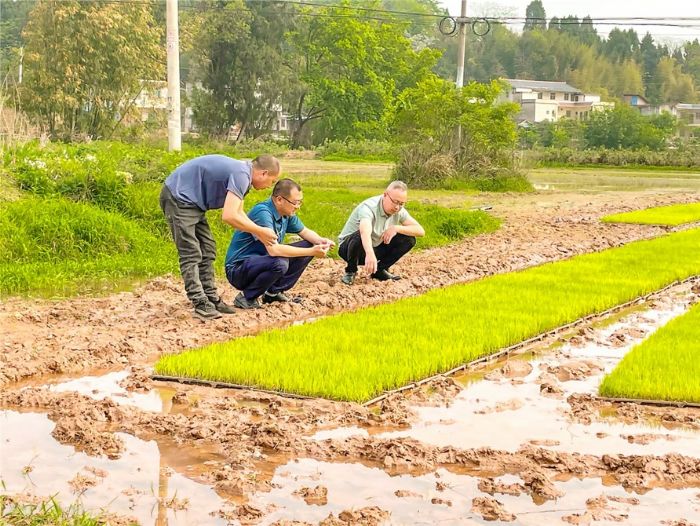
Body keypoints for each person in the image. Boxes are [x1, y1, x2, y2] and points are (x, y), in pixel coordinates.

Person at [160, 154, 280, 320]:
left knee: (207, 248)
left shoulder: (244, 175)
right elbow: (229, 216)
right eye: (272, 181)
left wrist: (258, 231)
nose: (269, 186)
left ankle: (210, 297)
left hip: (194, 203)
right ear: (264, 173)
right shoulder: (241, 175)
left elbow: (239, 212)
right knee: (191, 252)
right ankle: (199, 302)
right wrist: (260, 231)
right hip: (178, 197)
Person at [225, 178, 334, 309]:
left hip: (262, 262)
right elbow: (274, 250)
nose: (298, 207)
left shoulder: (286, 214)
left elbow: (305, 232)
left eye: (300, 202)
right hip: (238, 269)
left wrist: (321, 241)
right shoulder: (263, 212)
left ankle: (272, 293)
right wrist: (312, 252)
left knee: (309, 244)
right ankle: (247, 296)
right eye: (295, 203)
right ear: (279, 199)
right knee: (279, 263)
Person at [337, 180, 425, 285]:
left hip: (375, 246)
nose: (397, 207)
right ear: (385, 195)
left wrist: (396, 228)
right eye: (395, 202)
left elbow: (420, 231)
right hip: (349, 249)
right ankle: (350, 271)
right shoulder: (369, 207)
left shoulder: (399, 210)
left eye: (401, 204)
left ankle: (379, 270)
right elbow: (365, 231)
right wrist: (369, 254)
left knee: (409, 239)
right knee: (359, 235)